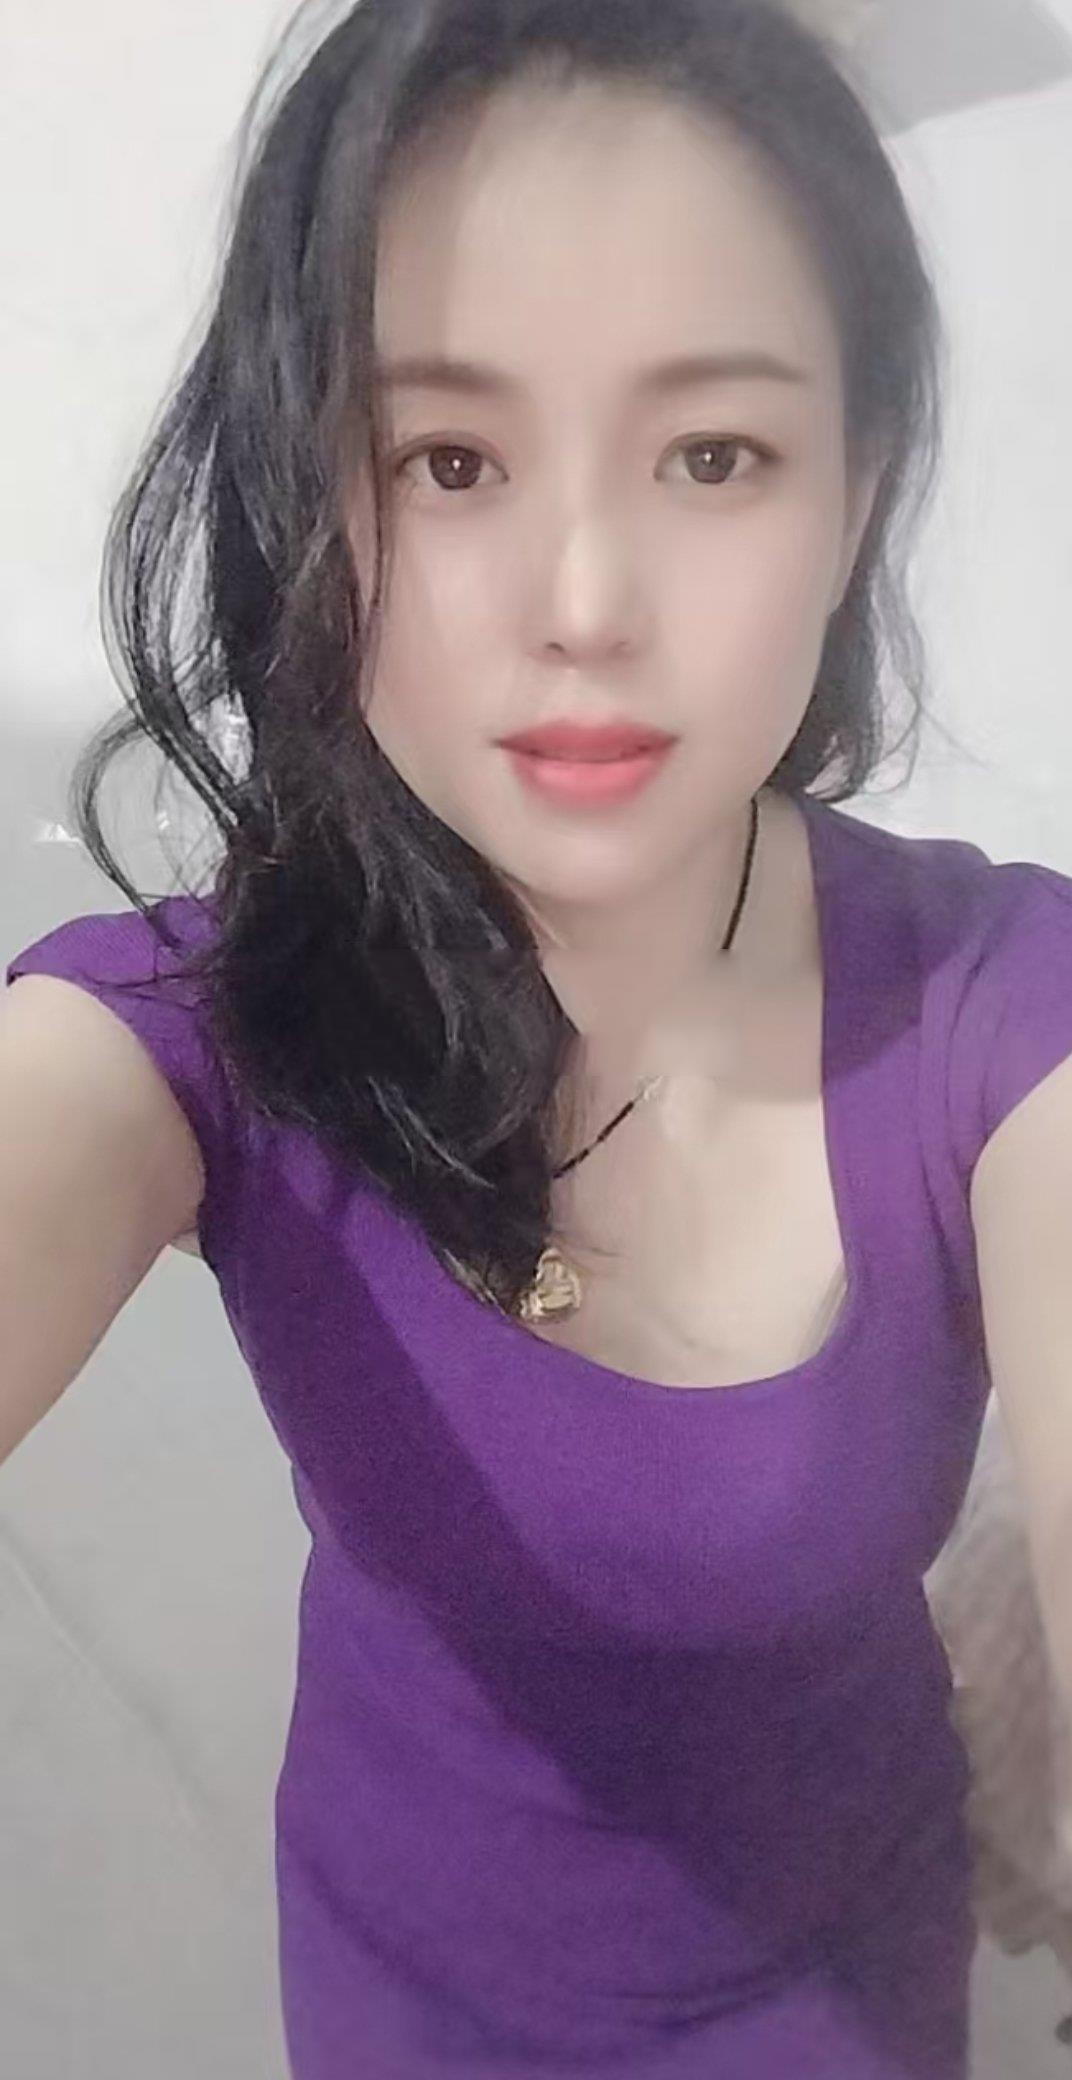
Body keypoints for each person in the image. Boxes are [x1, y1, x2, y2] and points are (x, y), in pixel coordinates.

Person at [4, 1, 1072, 2074]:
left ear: (854, 494)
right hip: (393, 1981)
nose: (584, 599)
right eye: (450, 460)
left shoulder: (996, 1011)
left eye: (712, 455)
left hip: (838, 1995)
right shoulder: (196, 1029)